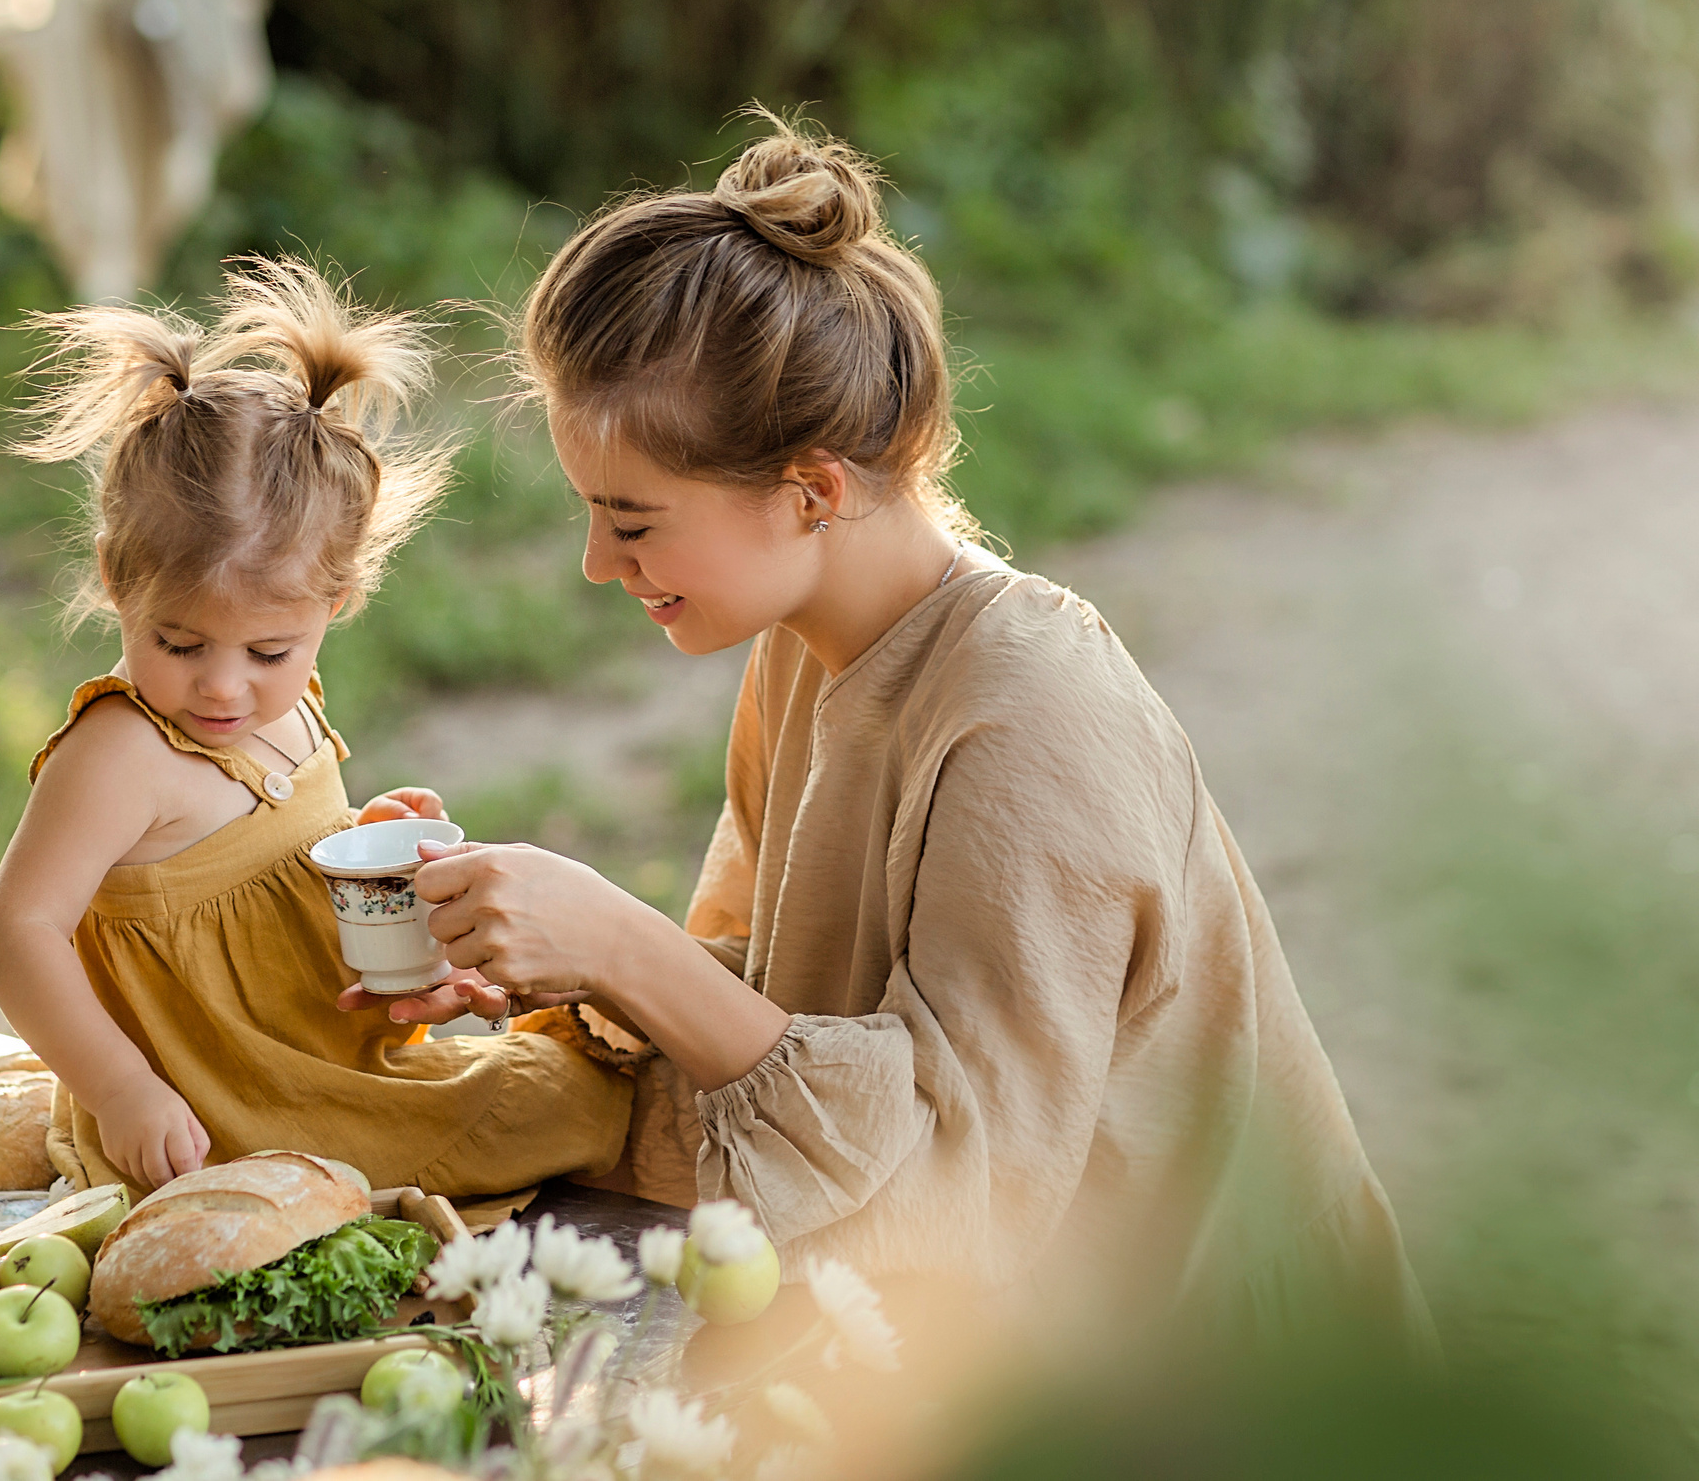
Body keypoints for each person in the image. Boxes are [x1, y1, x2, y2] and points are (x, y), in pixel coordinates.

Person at [357, 123, 1429, 1348]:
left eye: (633, 521)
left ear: (811, 492)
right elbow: (770, 1025)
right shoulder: (803, 650)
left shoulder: (1030, 716)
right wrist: (541, 956)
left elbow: (953, 1188)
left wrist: (620, 940)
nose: (598, 564)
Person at [0, 257, 631, 1197]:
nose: (224, 687)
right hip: (224, 1106)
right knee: (565, 1108)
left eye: (268, 653)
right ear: (116, 583)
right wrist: (123, 1092)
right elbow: (17, 931)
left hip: (320, 1055)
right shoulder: (120, 752)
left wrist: (363, 844)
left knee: (577, 1074)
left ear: (341, 599)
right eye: (178, 641)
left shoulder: (296, 708)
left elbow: (260, 884)